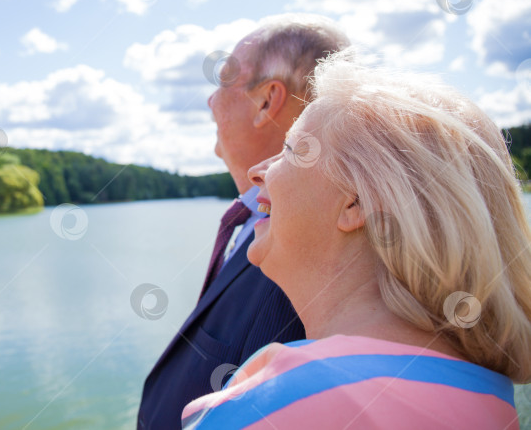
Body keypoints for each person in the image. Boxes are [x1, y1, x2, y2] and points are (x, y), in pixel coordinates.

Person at [181, 54, 531, 428]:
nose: (257, 172)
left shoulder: (278, 405)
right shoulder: (487, 395)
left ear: (357, 202)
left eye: (289, 149)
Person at [138, 15, 351, 429]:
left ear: (266, 102)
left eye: (222, 82)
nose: (210, 101)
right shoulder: (269, 222)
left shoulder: (316, 244)